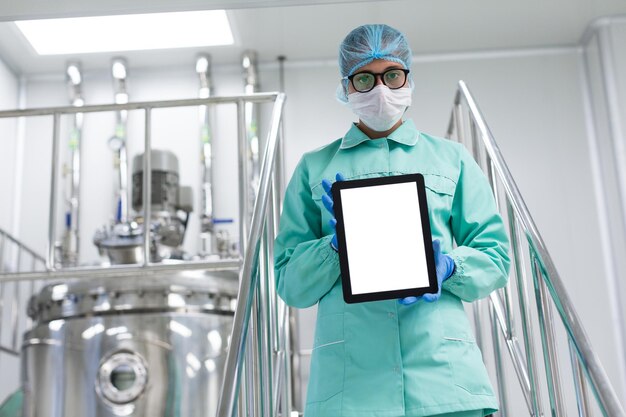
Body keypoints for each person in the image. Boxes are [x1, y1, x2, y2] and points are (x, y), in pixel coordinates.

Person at [274, 24, 510, 417]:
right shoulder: (314, 168)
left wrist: (448, 267)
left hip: (443, 383)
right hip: (351, 392)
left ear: (408, 80)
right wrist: (334, 247)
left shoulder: (451, 160)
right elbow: (290, 284)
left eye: (392, 75)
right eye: (364, 78)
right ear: (346, 86)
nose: (380, 89)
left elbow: (497, 256)